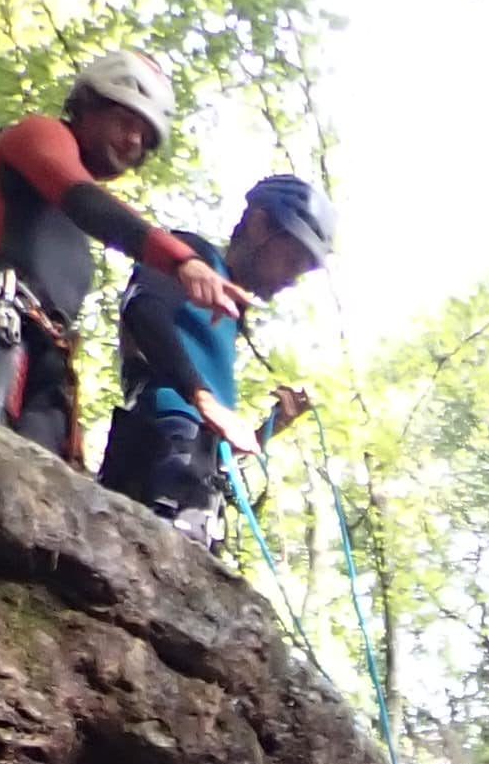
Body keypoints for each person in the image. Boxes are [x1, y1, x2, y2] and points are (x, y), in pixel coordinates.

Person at [0, 50, 241, 464]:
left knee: (44, 493)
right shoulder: (34, 135)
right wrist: (180, 261)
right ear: (89, 106)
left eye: (145, 138)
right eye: (126, 122)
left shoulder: (69, 233)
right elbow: (86, 201)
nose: (133, 141)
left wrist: (202, 396)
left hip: (47, 359)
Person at [99, 171, 333, 541]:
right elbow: (143, 309)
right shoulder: (193, 259)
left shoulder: (226, 316)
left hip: (193, 463)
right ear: (258, 226)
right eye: (291, 259)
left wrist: (267, 430)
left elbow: (209, 438)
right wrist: (202, 397)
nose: (291, 279)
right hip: (165, 441)